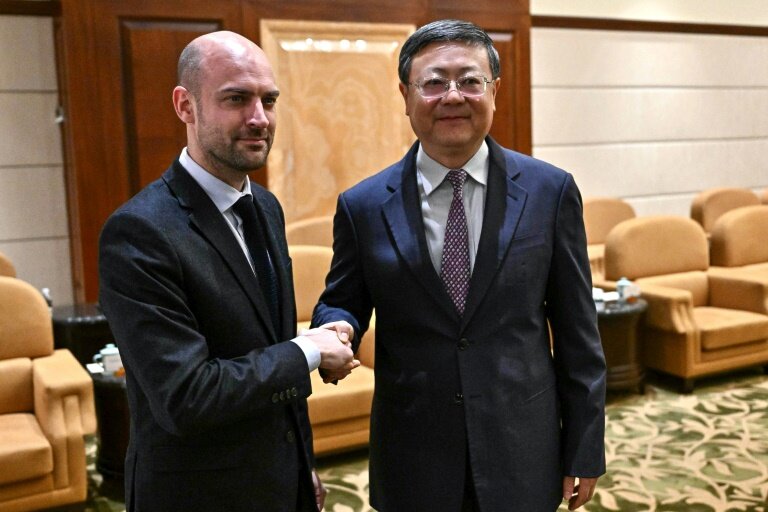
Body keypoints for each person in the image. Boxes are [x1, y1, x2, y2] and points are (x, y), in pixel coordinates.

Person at [312, 19, 607, 511]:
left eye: (470, 80)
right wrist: (336, 327)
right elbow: (341, 301)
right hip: (414, 452)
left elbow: (579, 331)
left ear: (495, 91)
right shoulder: (363, 205)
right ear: (406, 95)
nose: (453, 96)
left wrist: (584, 446)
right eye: (433, 82)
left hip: (522, 447)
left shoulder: (550, 192)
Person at [99, 31, 358, 512]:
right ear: (186, 106)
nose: (259, 118)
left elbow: (268, 346)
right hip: (198, 494)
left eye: (269, 100)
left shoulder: (265, 206)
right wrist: (309, 350)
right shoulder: (139, 231)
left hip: (280, 480)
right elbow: (185, 396)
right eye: (236, 99)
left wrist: (301, 466)